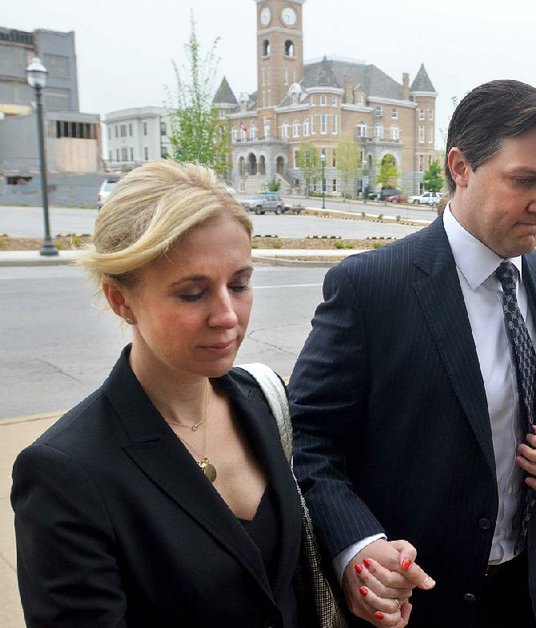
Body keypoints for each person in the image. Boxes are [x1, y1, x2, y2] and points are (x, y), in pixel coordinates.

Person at [288, 79, 536, 628]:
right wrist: (357, 548)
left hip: (523, 596)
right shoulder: (371, 287)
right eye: (524, 180)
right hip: (412, 601)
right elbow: (309, 441)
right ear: (460, 167)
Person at [12, 160, 323, 627]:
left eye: (239, 284)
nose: (227, 316)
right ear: (121, 300)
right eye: (192, 293)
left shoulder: (263, 399)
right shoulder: (65, 472)